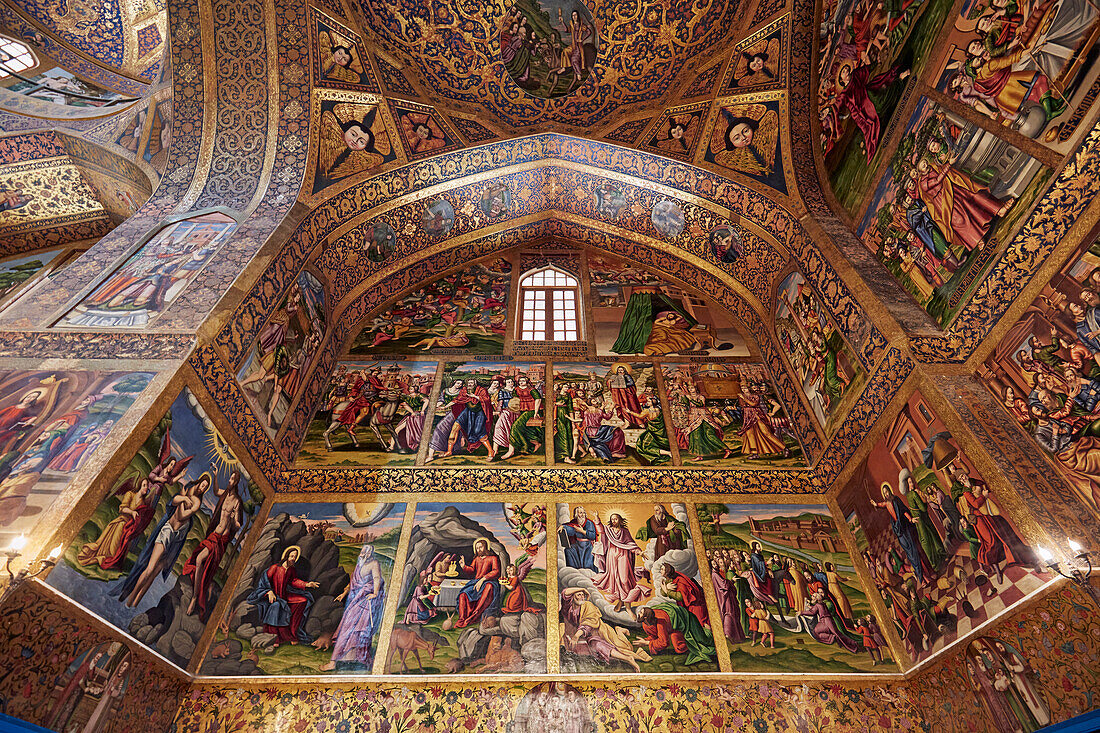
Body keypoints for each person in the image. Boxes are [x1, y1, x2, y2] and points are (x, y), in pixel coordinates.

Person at [117, 473, 211, 608]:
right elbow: (174, 504)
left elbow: (182, 514)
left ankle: (135, 603)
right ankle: (129, 601)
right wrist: (184, 498)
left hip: (177, 539)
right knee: (149, 569)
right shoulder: (187, 491)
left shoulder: (197, 502)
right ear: (199, 481)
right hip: (167, 531)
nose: (202, 488)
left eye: (205, 487)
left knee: (154, 573)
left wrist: (182, 499)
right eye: (202, 485)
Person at [181, 471, 244, 617]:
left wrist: (235, 520)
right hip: (214, 534)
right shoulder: (224, 494)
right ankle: (196, 595)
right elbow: (215, 491)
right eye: (230, 477)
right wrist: (215, 475)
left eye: (233, 479)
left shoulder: (237, 501)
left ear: (236, 482)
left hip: (221, 539)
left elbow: (238, 524)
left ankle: (195, 598)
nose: (230, 480)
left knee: (201, 561)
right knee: (198, 560)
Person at [321, 544, 385, 672]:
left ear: (369, 553)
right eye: (361, 552)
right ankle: (336, 661)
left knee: (359, 630)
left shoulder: (373, 564)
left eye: (364, 552)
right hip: (354, 600)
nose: (362, 554)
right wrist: (343, 594)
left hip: (365, 601)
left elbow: (377, 578)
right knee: (347, 627)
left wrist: (375, 593)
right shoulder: (359, 564)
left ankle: (355, 659)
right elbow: (352, 582)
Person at [560, 588, 649, 672]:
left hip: (598, 632)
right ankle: (619, 631)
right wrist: (582, 589)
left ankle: (628, 658)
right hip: (584, 635)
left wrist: (576, 636)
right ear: (572, 597)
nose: (582, 597)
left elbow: (588, 624)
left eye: (583, 595)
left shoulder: (588, 605)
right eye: (579, 595)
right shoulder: (568, 608)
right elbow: (565, 593)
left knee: (601, 646)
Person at [248, 545, 319, 646]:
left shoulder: (291, 570)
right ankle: (275, 638)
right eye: (291, 556)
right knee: (276, 606)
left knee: (303, 600)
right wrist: (268, 592)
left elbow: (294, 581)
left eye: (295, 557)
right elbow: (264, 581)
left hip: (284, 595)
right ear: (286, 556)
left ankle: (293, 631)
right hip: (271, 596)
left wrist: (307, 584)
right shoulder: (275, 568)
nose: (293, 559)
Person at [593, 513, 647, 612]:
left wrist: (639, 552)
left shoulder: (624, 531)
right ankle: (621, 601)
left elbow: (631, 544)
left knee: (624, 580)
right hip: (611, 556)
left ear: (620, 520)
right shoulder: (608, 530)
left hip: (623, 555)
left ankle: (628, 607)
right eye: (612, 519)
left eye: (616, 519)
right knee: (616, 580)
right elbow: (601, 530)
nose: (613, 521)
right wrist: (597, 519)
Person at [634, 604, 716, 665]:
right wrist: (645, 640)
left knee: (701, 640)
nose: (638, 613)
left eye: (641, 612)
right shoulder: (645, 623)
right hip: (672, 624)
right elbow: (654, 636)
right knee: (678, 646)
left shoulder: (660, 622)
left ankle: (706, 631)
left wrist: (647, 643)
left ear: (646, 617)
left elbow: (664, 643)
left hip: (684, 618)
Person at [454, 539, 502, 628]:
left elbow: (496, 571)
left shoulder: (493, 558)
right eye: (477, 548)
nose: (479, 550)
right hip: (476, 582)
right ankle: (462, 618)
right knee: (463, 594)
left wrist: (483, 579)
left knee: (489, 587)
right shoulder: (476, 559)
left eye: (480, 547)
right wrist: (464, 566)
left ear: (486, 547)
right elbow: (472, 570)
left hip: (489, 581)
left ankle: (474, 615)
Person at [659, 562, 708, 628]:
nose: (660, 571)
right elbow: (663, 593)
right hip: (686, 606)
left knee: (702, 623)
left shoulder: (680, 580)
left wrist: (667, 591)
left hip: (695, 605)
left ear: (667, 571)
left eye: (662, 569)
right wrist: (666, 588)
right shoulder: (669, 579)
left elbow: (680, 596)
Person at [560, 506, 598, 570]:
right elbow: (570, 529)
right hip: (577, 544)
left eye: (583, 513)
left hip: (587, 546)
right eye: (580, 513)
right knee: (568, 551)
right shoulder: (574, 522)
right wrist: (562, 526)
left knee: (587, 564)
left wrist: (582, 531)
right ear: (576, 514)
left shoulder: (589, 523)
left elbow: (593, 535)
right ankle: (573, 571)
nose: (582, 515)